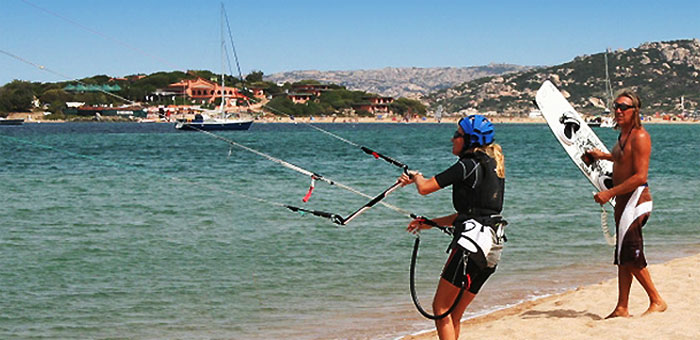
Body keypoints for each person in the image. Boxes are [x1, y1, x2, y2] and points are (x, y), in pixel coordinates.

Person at [399, 115, 506, 340]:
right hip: (492, 245)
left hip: (472, 244)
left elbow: (425, 188)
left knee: (440, 309)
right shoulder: (491, 167)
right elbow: (471, 213)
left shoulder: (466, 166)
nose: (452, 139)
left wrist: (416, 177)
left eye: (457, 135)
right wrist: (431, 223)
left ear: (469, 140)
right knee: (453, 314)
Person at [583, 90, 667, 318]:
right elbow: (622, 159)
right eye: (615, 106)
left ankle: (656, 300)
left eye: (623, 107)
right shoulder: (623, 136)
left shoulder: (640, 136)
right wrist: (602, 156)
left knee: (630, 255)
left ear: (635, 111)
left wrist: (608, 193)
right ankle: (622, 307)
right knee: (622, 256)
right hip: (623, 201)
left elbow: (640, 176)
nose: (618, 111)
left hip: (636, 199)